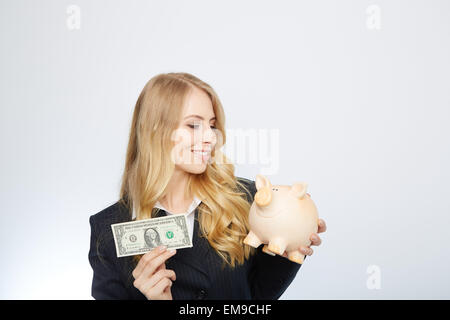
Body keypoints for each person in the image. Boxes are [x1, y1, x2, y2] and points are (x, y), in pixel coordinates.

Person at [88, 72, 327, 300]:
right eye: (193, 125)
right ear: (155, 130)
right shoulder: (108, 230)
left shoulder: (247, 200)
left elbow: (257, 296)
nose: (211, 137)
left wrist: (287, 249)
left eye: (211, 125)